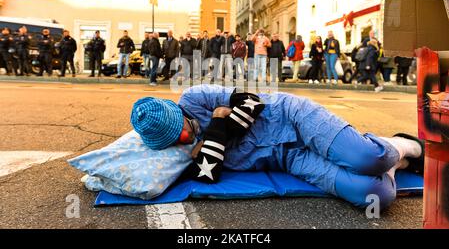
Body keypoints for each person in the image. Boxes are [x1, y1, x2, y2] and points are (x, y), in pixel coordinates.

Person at [131, 84, 424, 211]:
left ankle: (405, 145)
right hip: (288, 158)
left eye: (181, 126)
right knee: (377, 196)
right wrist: (219, 126)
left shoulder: (193, 98)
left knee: (367, 158)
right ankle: (396, 162)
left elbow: (251, 101)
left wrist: (213, 141)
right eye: (177, 138)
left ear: (177, 111)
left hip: (292, 118)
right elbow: (210, 175)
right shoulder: (177, 152)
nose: (184, 136)